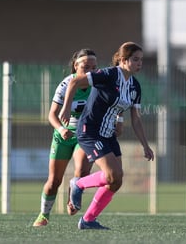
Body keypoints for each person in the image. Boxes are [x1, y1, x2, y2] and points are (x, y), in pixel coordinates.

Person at [59, 41, 155, 230]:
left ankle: (88, 220)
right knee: (113, 174)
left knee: (116, 181)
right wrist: (66, 108)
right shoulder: (109, 74)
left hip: (108, 135)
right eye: (135, 59)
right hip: (90, 131)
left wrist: (145, 145)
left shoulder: (135, 86)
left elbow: (136, 120)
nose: (139, 63)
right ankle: (78, 184)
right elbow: (75, 81)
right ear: (123, 60)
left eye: (141, 60)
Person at [32, 49, 124, 227]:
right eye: (85, 66)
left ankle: (73, 197)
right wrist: (60, 129)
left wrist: (119, 120)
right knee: (54, 181)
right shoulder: (66, 84)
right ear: (75, 66)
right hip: (63, 135)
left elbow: (118, 101)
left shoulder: (98, 82)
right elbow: (52, 114)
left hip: (86, 135)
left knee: (82, 171)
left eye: (94, 67)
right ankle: (44, 215)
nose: (90, 71)